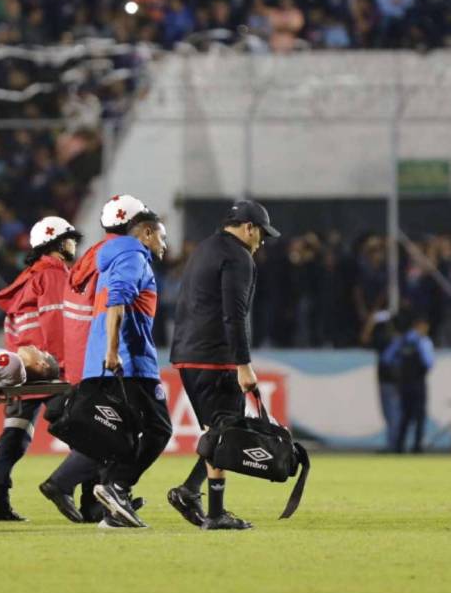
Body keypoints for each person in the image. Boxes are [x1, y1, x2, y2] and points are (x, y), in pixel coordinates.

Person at [167, 200, 280, 531]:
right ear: (249, 228)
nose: (261, 242)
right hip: (214, 356)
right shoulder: (238, 257)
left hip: (187, 353)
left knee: (217, 430)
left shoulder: (204, 249)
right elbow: (235, 315)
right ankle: (213, 511)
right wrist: (242, 364)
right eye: (261, 234)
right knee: (226, 431)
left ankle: (191, 491)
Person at [41, 194, 150, 524]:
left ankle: (99, 502)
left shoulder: (93, 255)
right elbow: (110, 307)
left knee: (107, 428)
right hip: (100, 355)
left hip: (85, 355)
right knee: (117, 431)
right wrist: (112, 352)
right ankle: (67, 485)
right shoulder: (120, 256)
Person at [0, 216, 81, 521]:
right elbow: (55, 324)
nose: (74, 244)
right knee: (91, 433)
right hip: (50, 369)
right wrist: (67, 369)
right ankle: (93, 501)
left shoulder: (27, 278)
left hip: (24, 369)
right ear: (59, 243)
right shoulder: (53, 275)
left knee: (15, 433)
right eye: (71, 239)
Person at [82, 210, 175, 529]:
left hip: (104, 362)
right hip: (130, 364)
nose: (165, 243)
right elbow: (118, 303)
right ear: (147, 234)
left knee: (123, 436)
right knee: (159, 429)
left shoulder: (112, 260)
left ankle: (114, 511)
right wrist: (112, 351)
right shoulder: (134, 258)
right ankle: (118, 487)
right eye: (162, 236)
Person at [383, 310, 435, 453]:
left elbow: (387, 359)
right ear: (421, 326)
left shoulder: (402, 340)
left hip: (403, 383)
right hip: (418, 383)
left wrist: (399, 367)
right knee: (419, 416)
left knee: (404, 416)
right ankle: (417, 446)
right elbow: (429, 363)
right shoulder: (423, 342)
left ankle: (400, 446)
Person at [362, 308, 401, 451]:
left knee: (391, 414)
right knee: (394, 414)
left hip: (387, 381)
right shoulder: (402, 338)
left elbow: (364, 339)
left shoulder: (384, 338)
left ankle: (394, 446)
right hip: (399, 380)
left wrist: (371, 322)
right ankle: (395, 444)